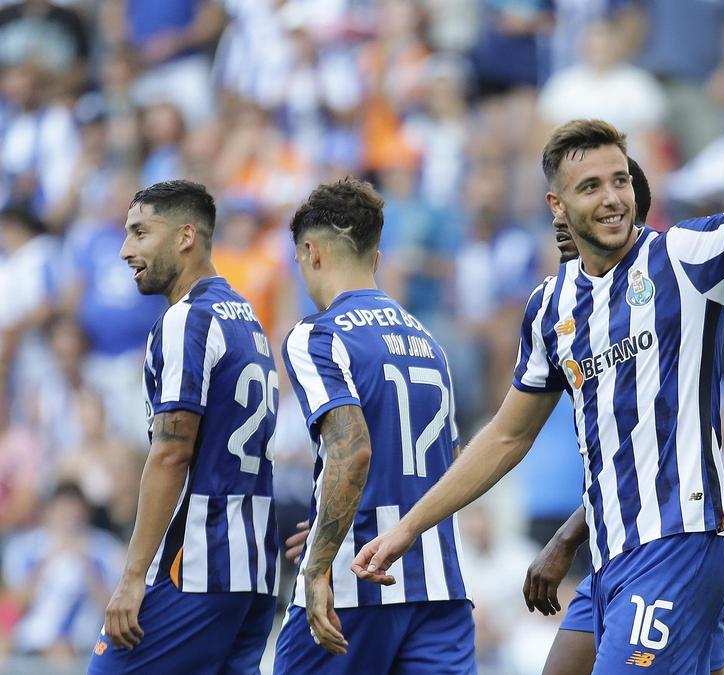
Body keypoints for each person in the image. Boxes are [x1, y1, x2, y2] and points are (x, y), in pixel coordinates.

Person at [353, 19, 724, 672]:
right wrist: (411, 528)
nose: (613, 196)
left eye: (620, 179)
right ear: (558, 207)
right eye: (592, 186)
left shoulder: (684, 260)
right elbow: (507, 436)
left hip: (679, 543)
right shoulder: (550, 307)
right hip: (611, 554)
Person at [524, 158, 724, 675]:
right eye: (583, 192)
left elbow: (671, 443)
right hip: (612, 552)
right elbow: (627, 458)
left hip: (676, 543)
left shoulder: (674, 275)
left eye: (613, 188)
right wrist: (569, 536)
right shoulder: (563, 310)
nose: (557, 222)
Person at [272, 177, 473, 673]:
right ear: (376, 259)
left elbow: (353, 450)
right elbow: (449, 464)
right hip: (439, 585)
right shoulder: (431, 343)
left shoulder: (317, 335)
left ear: (311, 253)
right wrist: (325, 528)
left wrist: (319, 566)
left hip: (353, 587)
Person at [89, 180, 280, 673]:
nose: (125, 250)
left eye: (139, 233)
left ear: (185, 236)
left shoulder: (187, 320)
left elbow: (173, 452)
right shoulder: (247, 320)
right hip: (252, 567)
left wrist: (133, 577)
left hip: (194, 565)